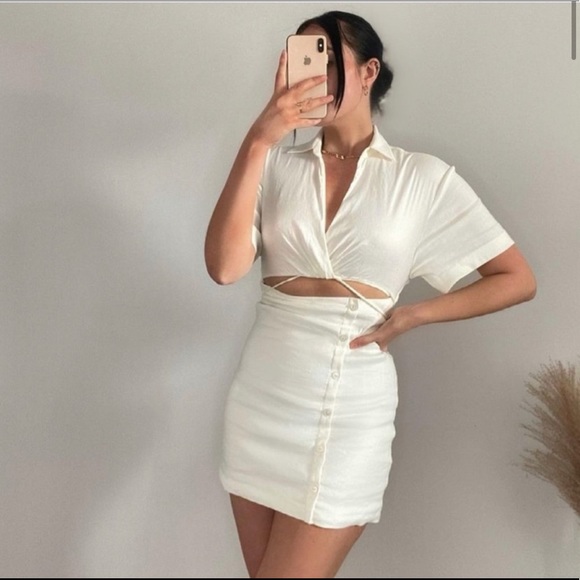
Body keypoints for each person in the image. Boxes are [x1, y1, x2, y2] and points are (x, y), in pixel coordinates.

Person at [204, 10, 536, 579]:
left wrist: (414, 315)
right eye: (305, 61)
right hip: (261, 398)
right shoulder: (274, 165)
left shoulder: (421, 177)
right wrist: (259, 137)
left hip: (348, 408)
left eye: (330, 62)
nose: (316, 78)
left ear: (369, 73)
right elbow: (224, 267)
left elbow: (516, 278)